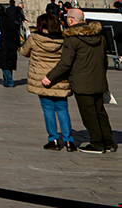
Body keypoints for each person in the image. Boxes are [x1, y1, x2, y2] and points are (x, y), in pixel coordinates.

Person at [41, 7, 116, 153]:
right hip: (99, 81)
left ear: (70, 20)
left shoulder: (72, 38)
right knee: (100, 112)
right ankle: (109, 142)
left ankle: (97, 144)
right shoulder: (99, 37)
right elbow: (104, 61)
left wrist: (49, 77)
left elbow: (65, 63)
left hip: (82, 83)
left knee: (89, 115)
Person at [21, 13, 76, 151]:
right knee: (63, 109)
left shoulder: (34, 38)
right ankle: (69, 140)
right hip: (59, 78)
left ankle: (54, 139)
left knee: (48, 109)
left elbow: (24, 52)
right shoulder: (64, 39)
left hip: (42, 78)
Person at [0, 3, 21, 87]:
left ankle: (9, 81)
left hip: (1, 43)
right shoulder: (10, 19)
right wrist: (17, 44)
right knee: (9, 62)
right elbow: (16, 32)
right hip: (11, 43)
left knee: (4, 63)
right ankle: (7, 79)